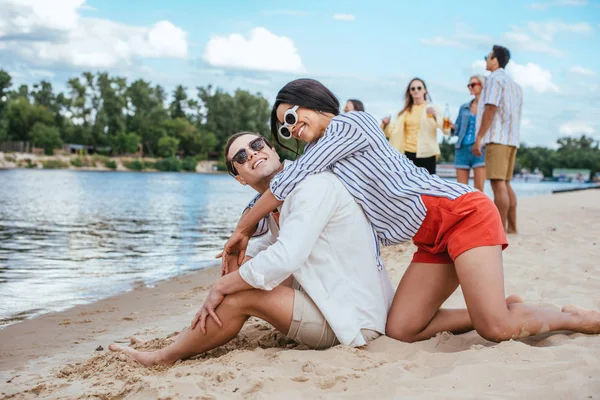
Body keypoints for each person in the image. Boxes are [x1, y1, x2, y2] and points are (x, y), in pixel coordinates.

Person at [222, 78, 600, 345]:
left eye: (293, 116)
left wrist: (241, 229)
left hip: (460, 214)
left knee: (495, 329)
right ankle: (500, 305)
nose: (294, 129)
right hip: (430, 237)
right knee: (402, 329)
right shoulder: (319, 161)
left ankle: (569, 318)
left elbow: (293, 178)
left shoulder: (352, 124)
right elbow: (295, 193)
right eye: (285, 128)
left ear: (315, 100)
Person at [108, 132, 395, 365]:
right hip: (337, 303)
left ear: (274, 150)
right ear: (240, 178)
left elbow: (287, 256)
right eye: (242, 157)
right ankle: (184, 339)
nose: (253, 153)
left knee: (239, 295)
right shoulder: (276, 206)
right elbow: (271, 249)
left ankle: (162, 357)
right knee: (243, 277)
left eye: (257, 145)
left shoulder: (312, 186)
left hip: (355, 320)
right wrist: (236, 260)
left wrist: (222, 287)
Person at [473, 45, 523, 233]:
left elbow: (490, 109)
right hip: (512, 139)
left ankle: (500, 228)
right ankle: (512, 227)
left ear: (495, 61)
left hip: (497, 137)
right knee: (506, 182)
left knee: (497, 182)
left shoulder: (494, 80)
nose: (486, 59)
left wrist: (479, 137)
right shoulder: (515, 85)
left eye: (488, 56)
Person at [381, 78, 450, 175]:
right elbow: (390, 133)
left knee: (428, 187)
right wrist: (385, 124)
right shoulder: (404, 113)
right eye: (412, 89)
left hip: (427, 155)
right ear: (409, 92)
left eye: (419, 88)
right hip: (407, 155)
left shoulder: (432, 109)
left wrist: (435, 116)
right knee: (408, 187)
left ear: (424, 90)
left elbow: (446, 130)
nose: (416, 90)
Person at [451, 75, 487, 191]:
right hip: (462, 149)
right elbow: (457, 130)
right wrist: (451, 127)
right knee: (461, 189)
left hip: (480, 149)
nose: (470, 87)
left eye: (473, 84)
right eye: (469, 85)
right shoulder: (464, 107)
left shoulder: (488, 108)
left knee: (479, 188)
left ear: (482, 86)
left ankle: (479, 210)